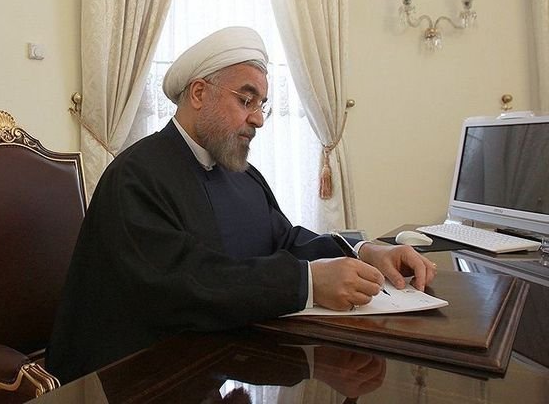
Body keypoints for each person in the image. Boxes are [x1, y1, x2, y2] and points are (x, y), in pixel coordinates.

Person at [46, 26, 437, 383]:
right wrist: (308, 282)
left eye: (261, 104)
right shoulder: (136, 176)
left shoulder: (240, 173)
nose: (259, 119)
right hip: (131, 378)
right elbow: (183, 285)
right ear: (199, 94)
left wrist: (365, 252)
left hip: (217, 363)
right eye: (246, 100)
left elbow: (284, 239)